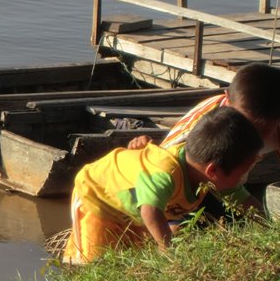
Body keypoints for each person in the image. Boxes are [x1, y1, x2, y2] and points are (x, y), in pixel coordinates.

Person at [62, 106, 263, 264]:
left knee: (132, 254)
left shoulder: (203, 171)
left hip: (132, 208)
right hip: (96, 196)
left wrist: (268, 228)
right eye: (242, 173)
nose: (244, 178)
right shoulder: (166, 173)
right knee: (95, 260)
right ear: (213, 171)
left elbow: (245, 201)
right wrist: (170, 256)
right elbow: (150, 212)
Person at [128, 62, 280, 214]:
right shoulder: (207, 121)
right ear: (227, 102)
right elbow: (163, 164)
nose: (253, 135)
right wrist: (142, 150)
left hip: (228, 184)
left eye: (263, 131)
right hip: (187, 185)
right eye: (247, 125)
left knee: (255, 214)